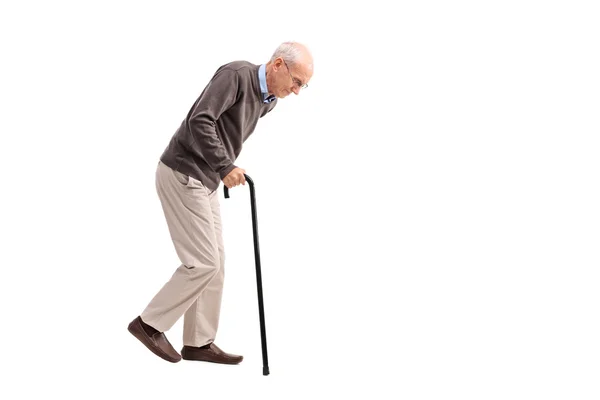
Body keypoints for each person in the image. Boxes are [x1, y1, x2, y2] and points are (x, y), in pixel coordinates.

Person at [127, 42, 314, 364]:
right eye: (296, 81)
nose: (297, 91)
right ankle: (149, 324)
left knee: (217, 264)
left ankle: (198, 342)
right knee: (203, 263)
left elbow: (226, 131)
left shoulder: (268, 100)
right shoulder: (236, 75)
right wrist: (225, 166)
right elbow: (200, 120)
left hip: (207, 178)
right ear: (278, 64)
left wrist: (222, 168)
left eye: (303, 86)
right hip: (184, 172)